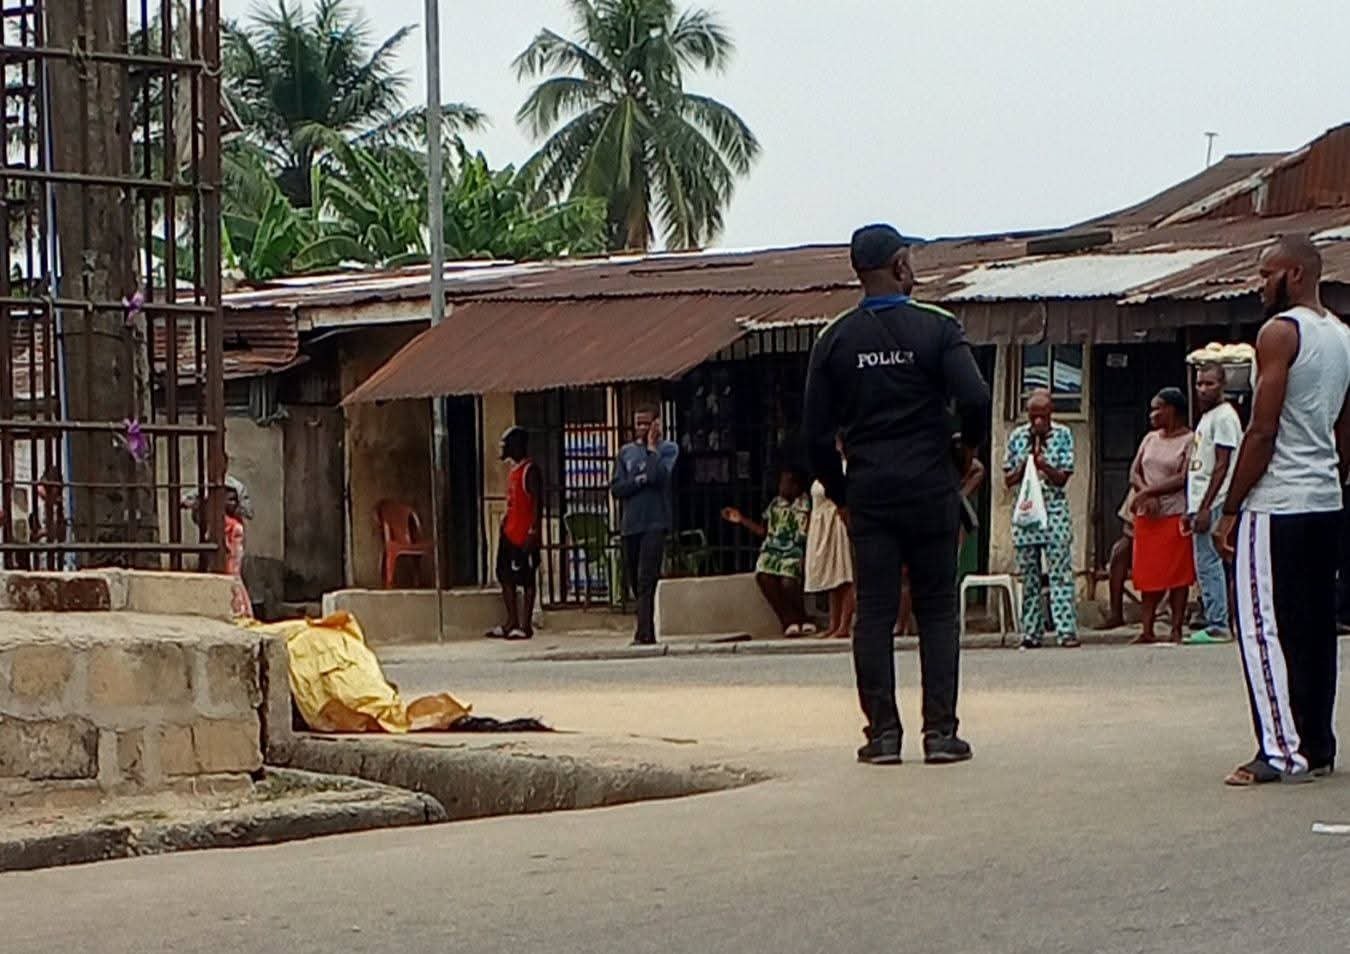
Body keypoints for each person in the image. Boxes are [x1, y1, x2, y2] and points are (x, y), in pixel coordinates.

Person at [803, 223, 991, 766]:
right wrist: (966, 453)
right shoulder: (937, 327)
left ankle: (883, 736)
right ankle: (940, 735)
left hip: (870, 494)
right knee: (936, 611)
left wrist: (842, 494)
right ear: (901, 266)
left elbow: (814, 436)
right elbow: (975, 396)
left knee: (875, 614)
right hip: (932, 488)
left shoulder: (834, 339)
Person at [1216, 235, 1350, 786]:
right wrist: (1334, 476)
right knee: (1315, 627)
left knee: (1262, 627)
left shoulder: (1280, 332)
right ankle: (1316, 745)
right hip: (1325, 499)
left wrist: (1231, 506)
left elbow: (1262, 428)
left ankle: (1278, 750)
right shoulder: (1342, 335)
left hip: (1276, 504)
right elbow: (1345, 428)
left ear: (1294, 274)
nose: (1258, 282)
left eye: (1266, 271)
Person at [1003, 389, 1078, 649]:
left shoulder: (1063, 435)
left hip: (1054, 513)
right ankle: (1031, 633)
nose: (1037, 423)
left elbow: (1064, 477)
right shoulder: (1016, 437)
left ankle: (1065, 631)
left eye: (1042, 418)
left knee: (1060, 575)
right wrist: (1024, 467)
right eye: (1033, 417)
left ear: (1050, 414)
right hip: (1027, 517)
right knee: (1029, 577)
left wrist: (1043, 465)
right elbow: (1008, 479)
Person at [1181, 364, 1241, 644]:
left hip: (1215, 500)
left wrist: (1205, 507)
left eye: (1209, 384)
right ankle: (1220, 616)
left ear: (1222, 384)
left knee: (1209, 562)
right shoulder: (1207, 417)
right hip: (1200, 500)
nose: (1203, 389)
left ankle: (1218, 623)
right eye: (1199, 384)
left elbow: (1222, 464)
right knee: (1208, 562)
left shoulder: (1225, 417)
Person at [1129, 388, 1195, 644]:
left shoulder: (1189, 440)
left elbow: (1183, 477)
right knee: (1148, 574)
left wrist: (1150, 492)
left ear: (1173, 410)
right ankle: (1147, 628)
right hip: (1148, 515)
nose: (1152, 414)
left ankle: (1176, 628)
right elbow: (1134, 471)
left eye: (1158, 408)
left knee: (1177, 574)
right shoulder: (1150, 439)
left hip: (1174, 513)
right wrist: (1146, 494)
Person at [611, 406, 679, 646]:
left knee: (646, 578)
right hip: (631, 524)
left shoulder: (668, 450)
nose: (641, 428)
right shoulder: (625, 453)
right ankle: (642, 626)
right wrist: (638, 481)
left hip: (655, 521)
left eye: (646, 423)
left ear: (656, 424)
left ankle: (645, 632)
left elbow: (657, 476)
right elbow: (618, 488)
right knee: (633, 579)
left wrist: (651, 449)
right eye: (637, 424)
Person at [724, 467, 816, 637]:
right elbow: (763, 531)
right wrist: (741, 519)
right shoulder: (775, 504)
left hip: (793, 550)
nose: (781, 487)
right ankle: (787, 620)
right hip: (772, 550)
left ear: (796, 486)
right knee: (764, 577)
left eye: (786, 484)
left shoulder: (806, 505)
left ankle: (802, 617)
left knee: (788, 582)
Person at [486, 427, 542, 641]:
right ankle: (511, 621)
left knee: (527, 578)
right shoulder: (513, 470)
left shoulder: (531, 470)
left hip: (525, 535)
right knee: (504, 574)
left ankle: (525, 625)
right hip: (509, 533)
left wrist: (533, 531)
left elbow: (537, 503)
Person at [806, 440, 855, 640]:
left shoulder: (846, 468)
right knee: (831, 577)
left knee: (845, 576)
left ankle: (844, 624)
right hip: (821, 523)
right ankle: (833, 623)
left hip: (836, 522)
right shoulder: (825, 469)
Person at [1097, 493, 1135, 630]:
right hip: (1139, 538)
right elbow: (1127, 528)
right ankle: (1116, 614)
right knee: (1118, 552)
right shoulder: (1136, 491)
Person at [223, 484, 252, 619]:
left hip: (234, 555)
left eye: (234, 500)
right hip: (231, 555)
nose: (232, 503)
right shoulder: (228, 522)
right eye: (229, 500)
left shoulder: (232, 521)